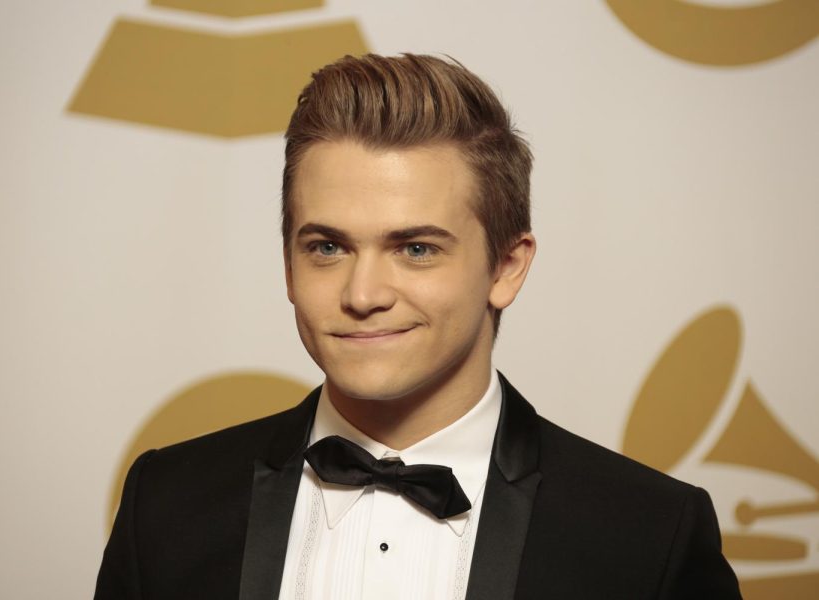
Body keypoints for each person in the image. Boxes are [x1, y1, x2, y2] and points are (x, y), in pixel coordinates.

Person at [94, 54, 741, 599]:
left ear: (507, 267)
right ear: (287, 264)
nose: (363, 293)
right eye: (326, 247)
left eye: (416, 249)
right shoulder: (167, 505)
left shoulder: (648, 535)